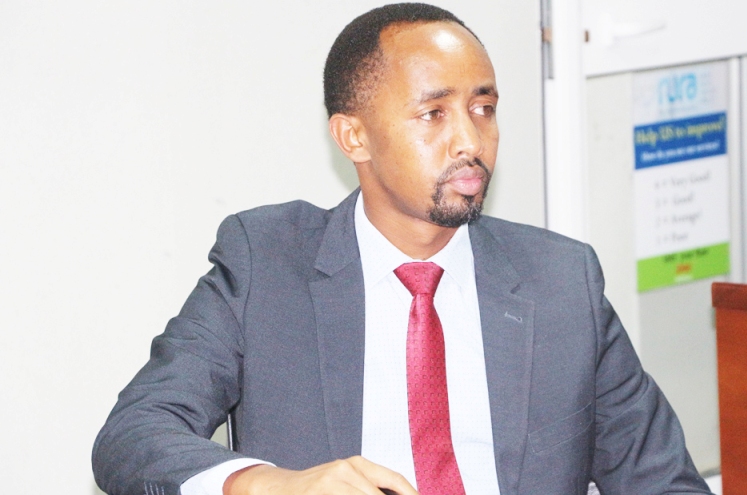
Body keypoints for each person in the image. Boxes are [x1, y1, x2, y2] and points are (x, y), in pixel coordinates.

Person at [93, 3, 712, 495]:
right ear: (353, 137)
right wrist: (270, 484)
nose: (470, 140)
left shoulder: (561, 280)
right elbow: (135, 433)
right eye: (433, 114)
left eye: (483, 108)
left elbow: (663, 482)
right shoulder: (266, 262)